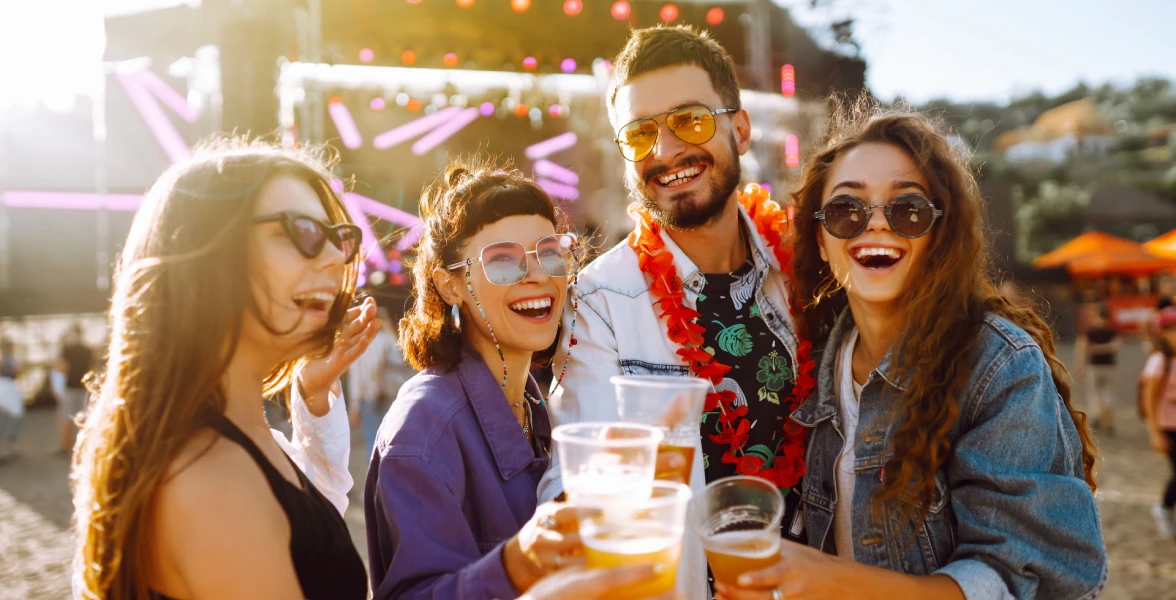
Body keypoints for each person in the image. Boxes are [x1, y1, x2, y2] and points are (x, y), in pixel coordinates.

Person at [715, 100, 1106, 600]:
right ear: (821, 238)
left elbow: (1013, 579)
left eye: (908, 209)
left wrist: (824, 579)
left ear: (940, 234)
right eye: (847, 210)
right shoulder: (813, 359)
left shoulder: (1000, 368)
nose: (876, 224)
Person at [541, 25, 812, 599]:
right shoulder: (601, 300)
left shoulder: (807, 273)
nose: (664, 152)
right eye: (640, 134)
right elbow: (575, 479)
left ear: (740, 129)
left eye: (689, 120)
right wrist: (607, 484)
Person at [71, 139, 381, 600]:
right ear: (206, 253)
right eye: (301, 231)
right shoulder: (213, 482)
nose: (338, 256)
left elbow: (307, 537)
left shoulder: (235, 438)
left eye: (338, 237)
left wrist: (313, 390)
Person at [365, 160, 583, 599]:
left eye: (549, 252)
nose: (538, 275)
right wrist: (514, 567)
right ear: (450, 286)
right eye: (503, 260)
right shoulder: (424, 428)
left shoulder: (544, 405)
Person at [347, 306, 404, 458]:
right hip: (387, 394)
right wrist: (389, 329)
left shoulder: (358, 343)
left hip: (369, 397)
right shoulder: (385, 339)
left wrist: (354, 406)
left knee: (372, 440)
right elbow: (400, 358)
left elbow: (355, 377)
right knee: (390, 438)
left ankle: (375, 469)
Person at [1142, 306, 1176, 538]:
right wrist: (1154, 433)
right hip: (1168, 426)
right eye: (1171, 328)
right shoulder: (1158, 360)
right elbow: (1149, 400)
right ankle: (1163, 508)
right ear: (1162, 332)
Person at [1075, 306, 1122, 433]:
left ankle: (1096, 416)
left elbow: (1083, 349)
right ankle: (1108, 420)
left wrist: (1081, 365)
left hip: (1094, 366)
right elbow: (1116, 346)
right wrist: (1105, 347)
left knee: (1094, 393)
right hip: (1110, 366)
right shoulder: (1113, 331)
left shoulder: (1089, 331)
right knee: (1108, 393)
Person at [59, 324, 93, 453]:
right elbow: (91, 368)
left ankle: (65, 446)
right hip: (84, 387)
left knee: (66, 417)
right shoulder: (87, 350)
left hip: (70, 387)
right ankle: (83, 446)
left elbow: (62, 367)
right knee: (85, 417)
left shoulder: (67, 349)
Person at [0, 338, 24, 461]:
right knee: (8, 415)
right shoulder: (6, 359)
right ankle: (6, 445)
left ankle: (9, 443)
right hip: (5, 386)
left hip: (9, 387)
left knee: (12, 415)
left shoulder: (10, 359)